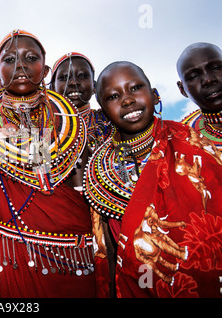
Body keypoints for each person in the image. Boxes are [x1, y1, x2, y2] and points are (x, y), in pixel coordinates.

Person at [0, 29, 96, 298]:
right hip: (13, 260)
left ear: (45, 69)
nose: (21, 66)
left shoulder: (73, 128)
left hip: (78, 260)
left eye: (30, 58)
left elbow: (86, 194)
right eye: (10, 59)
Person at [84, 61, 222, 298]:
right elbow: (108, 252)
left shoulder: (195, 145)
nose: (127, 100)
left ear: (155, 95)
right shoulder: (99, 172)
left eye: (135, 88)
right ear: (103, 110)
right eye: (113, 96)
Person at [50, 52, 113, 190]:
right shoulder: (42, 129)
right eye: (64, 77)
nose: (73, 82)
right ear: (52, 88)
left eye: (83, 76)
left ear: (94, 86)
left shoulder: (110, 120)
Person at [178, 42, 222, 150]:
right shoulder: (181, 143)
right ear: (182, 89)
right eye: (193, 76)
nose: (208, 80)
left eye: (216, 67)